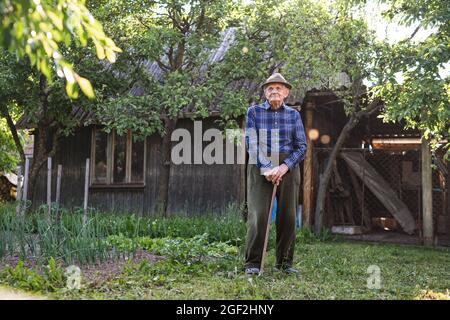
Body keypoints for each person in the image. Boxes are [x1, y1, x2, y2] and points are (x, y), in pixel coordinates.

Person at [244, 73, 307, 275]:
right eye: (270, 88)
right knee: (258, 215)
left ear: (286, 92)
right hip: (260, 167)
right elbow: (251, 143)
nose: (274, 91)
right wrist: (267, 168)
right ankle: (253, 263)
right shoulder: (253, 112)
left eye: (279, 88)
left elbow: (301, 146)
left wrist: (284, 167)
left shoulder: (294, 115)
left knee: (287, 217)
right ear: (264, 92)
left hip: (288, 168)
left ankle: (285, 264)